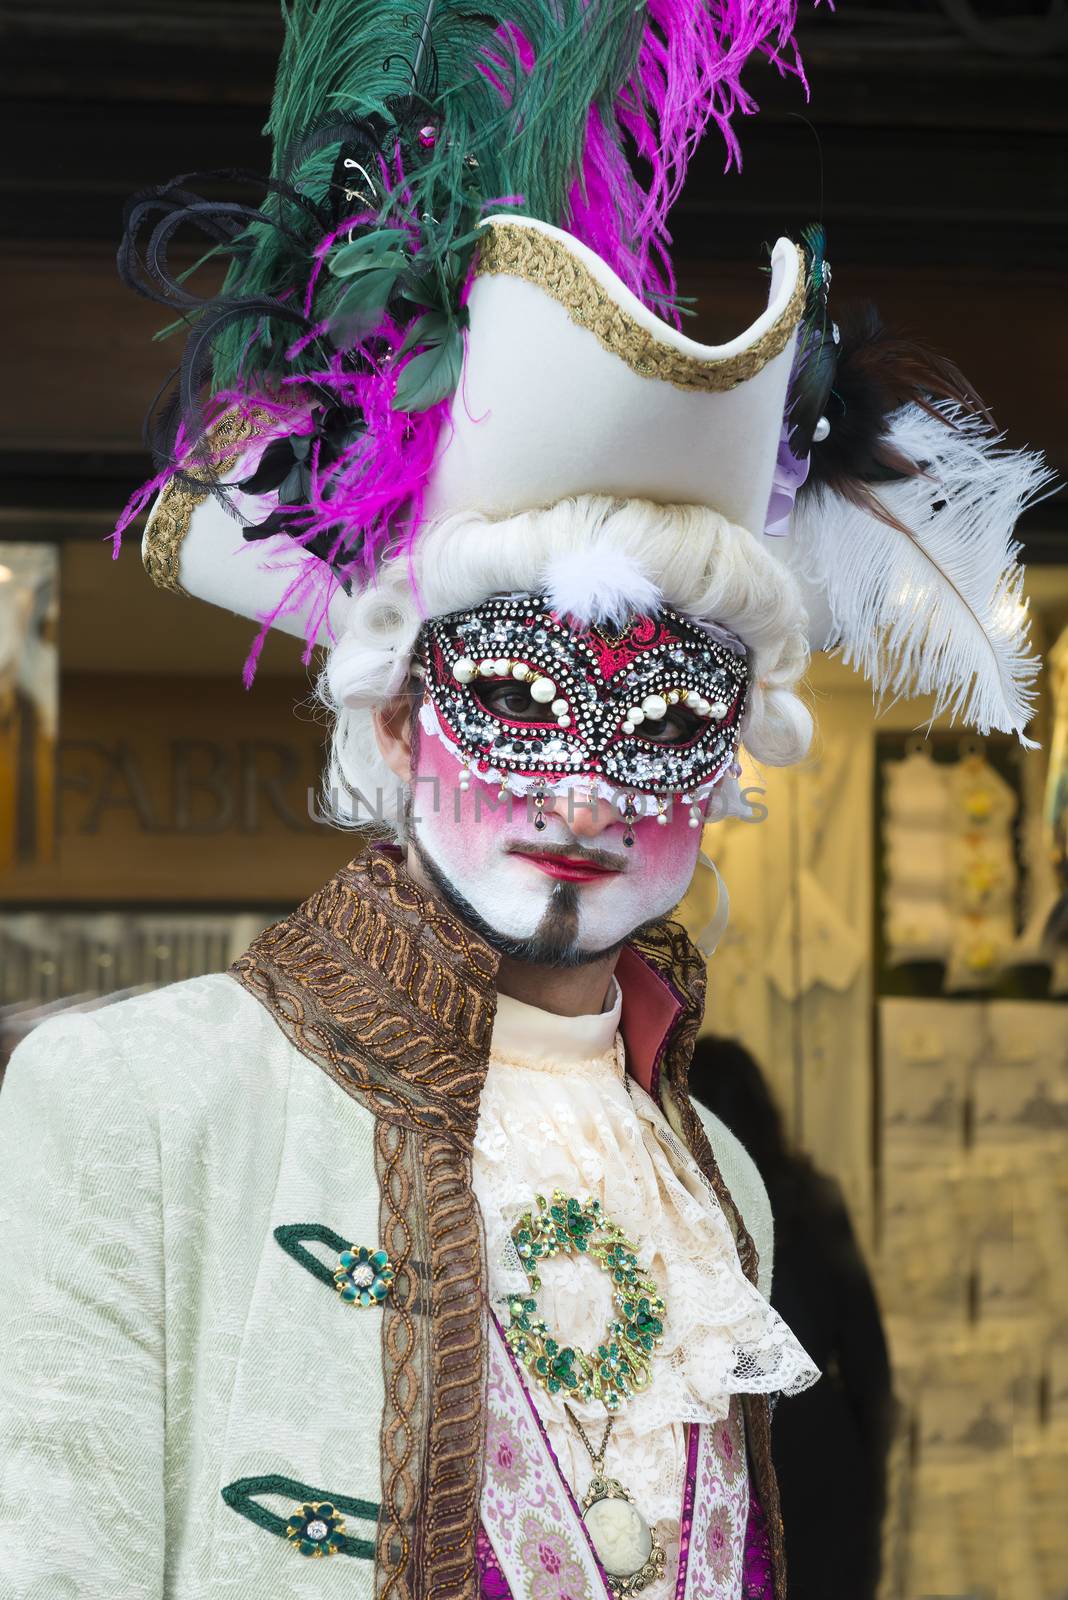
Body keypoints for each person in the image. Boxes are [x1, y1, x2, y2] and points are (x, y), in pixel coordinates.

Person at [0, 4, 1043, 1597]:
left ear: (729, 765)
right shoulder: (131, 1103)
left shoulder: (717, 1170)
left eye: (666, 719)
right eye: (520, 696)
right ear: (405, 715)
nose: (581, 780)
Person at [689, 1038, 895, 1600]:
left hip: (746, 1461)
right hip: (827, 1456)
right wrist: (870, 1479)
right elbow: (870, 1363)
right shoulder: (814, 1200)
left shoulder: (687, 1212)